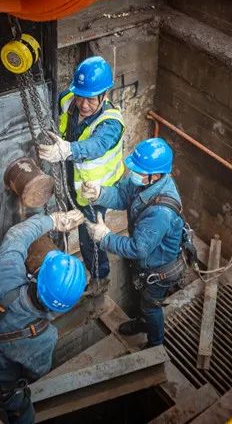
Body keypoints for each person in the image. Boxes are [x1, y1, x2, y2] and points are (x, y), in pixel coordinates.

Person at [0, 209, 86, 424]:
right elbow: (37, 372)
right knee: (24, 414)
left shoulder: (6, 273)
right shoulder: (44, 337)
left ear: (38, 273)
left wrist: (52, 220)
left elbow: (17, 235)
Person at [82, 138, 184, 348]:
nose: (133, 173)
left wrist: (105, 238)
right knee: (142, 299)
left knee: (151, 306)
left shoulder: (160, 212)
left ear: (155, 175)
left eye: (138, 171)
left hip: (160, 269)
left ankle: (155, 344)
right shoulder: (145, 181)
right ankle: (142, 322)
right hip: (147, 262)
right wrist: (100, 194)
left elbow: (138, 248)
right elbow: (121, 195)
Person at [37, 56, 125, 288]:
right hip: (71, 176)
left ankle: (99, 277)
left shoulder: (111, 124)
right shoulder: (69, 100)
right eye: (80, 97)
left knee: (90, 237)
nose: (83, 105)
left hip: (95, 192)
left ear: (104, 95)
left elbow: (96, 146)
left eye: (91, 100)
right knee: (62, 219)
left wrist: (66, 149)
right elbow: (51, 100)